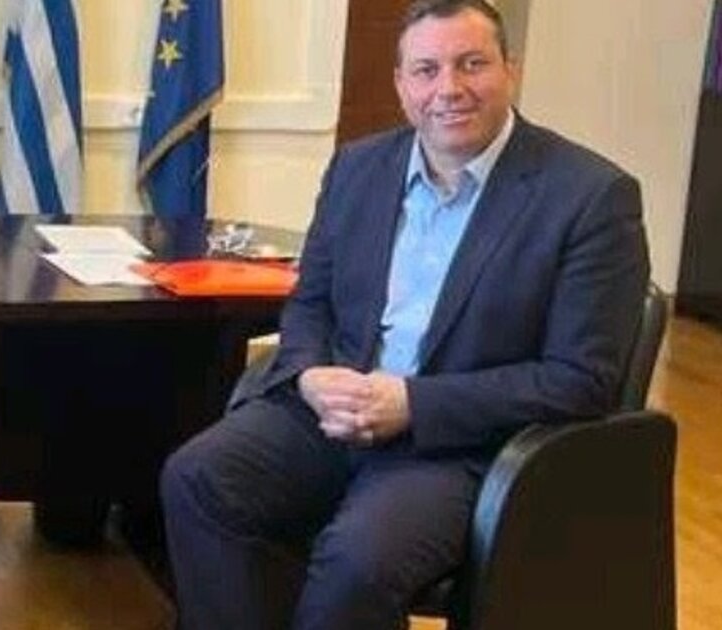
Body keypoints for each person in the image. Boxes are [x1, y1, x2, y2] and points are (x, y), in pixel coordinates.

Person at [159, 1, 650, 628]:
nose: (449, 88)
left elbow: (580, 380)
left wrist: (413, 403)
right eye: (426, 70)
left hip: (455, 445)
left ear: (511, 69)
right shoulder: (358, 167)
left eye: (471, 64)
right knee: (198, 479)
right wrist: (309, 376)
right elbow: (310, 303)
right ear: (400, 84)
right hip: (332, 416)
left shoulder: (591, 197)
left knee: (356, 561)